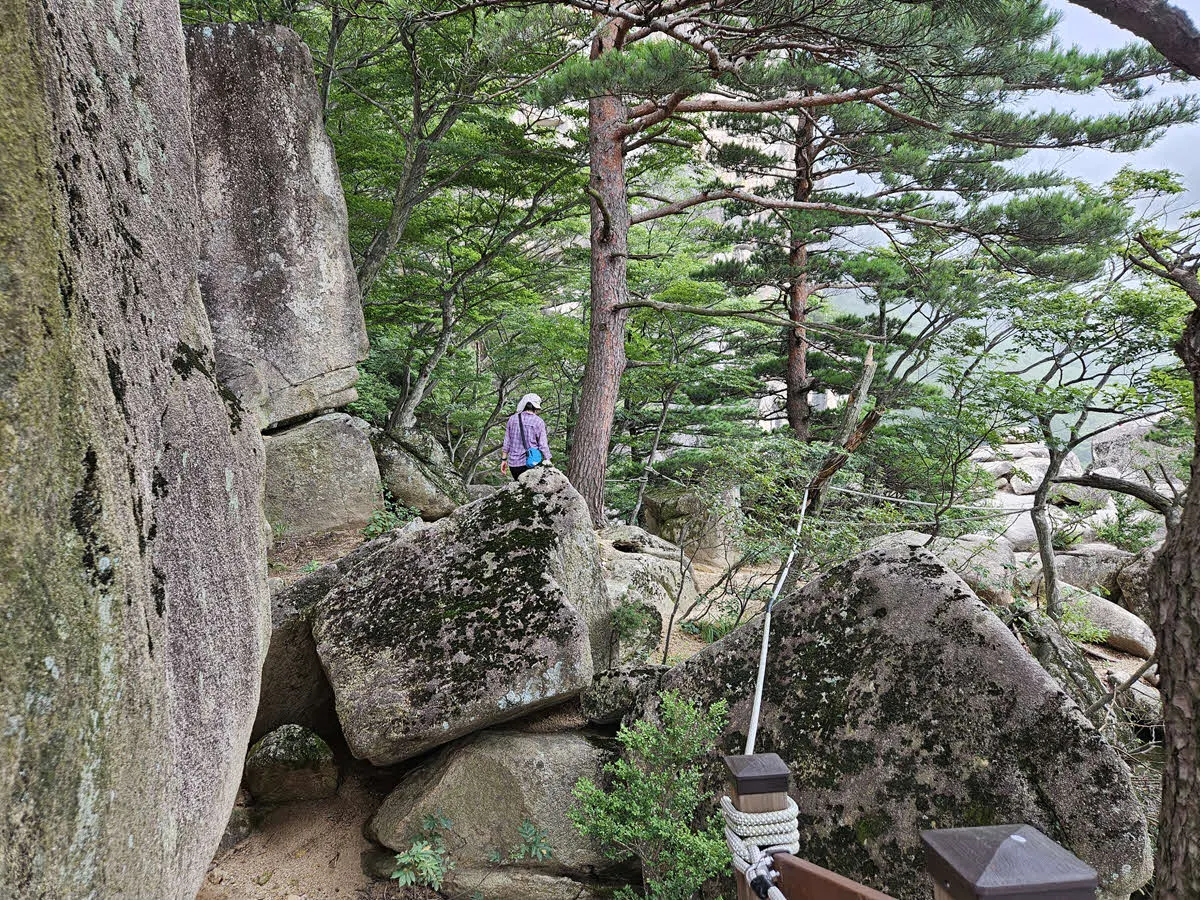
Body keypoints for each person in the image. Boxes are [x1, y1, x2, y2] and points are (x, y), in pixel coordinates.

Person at [501, 393, 551, 480]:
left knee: (519, 486)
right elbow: (543, 445)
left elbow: (507, 442)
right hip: (532, 463)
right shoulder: (538, 422)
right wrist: (548, 460)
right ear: (536, 407)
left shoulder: (512, 419)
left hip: (514, 464)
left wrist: (503, 460)